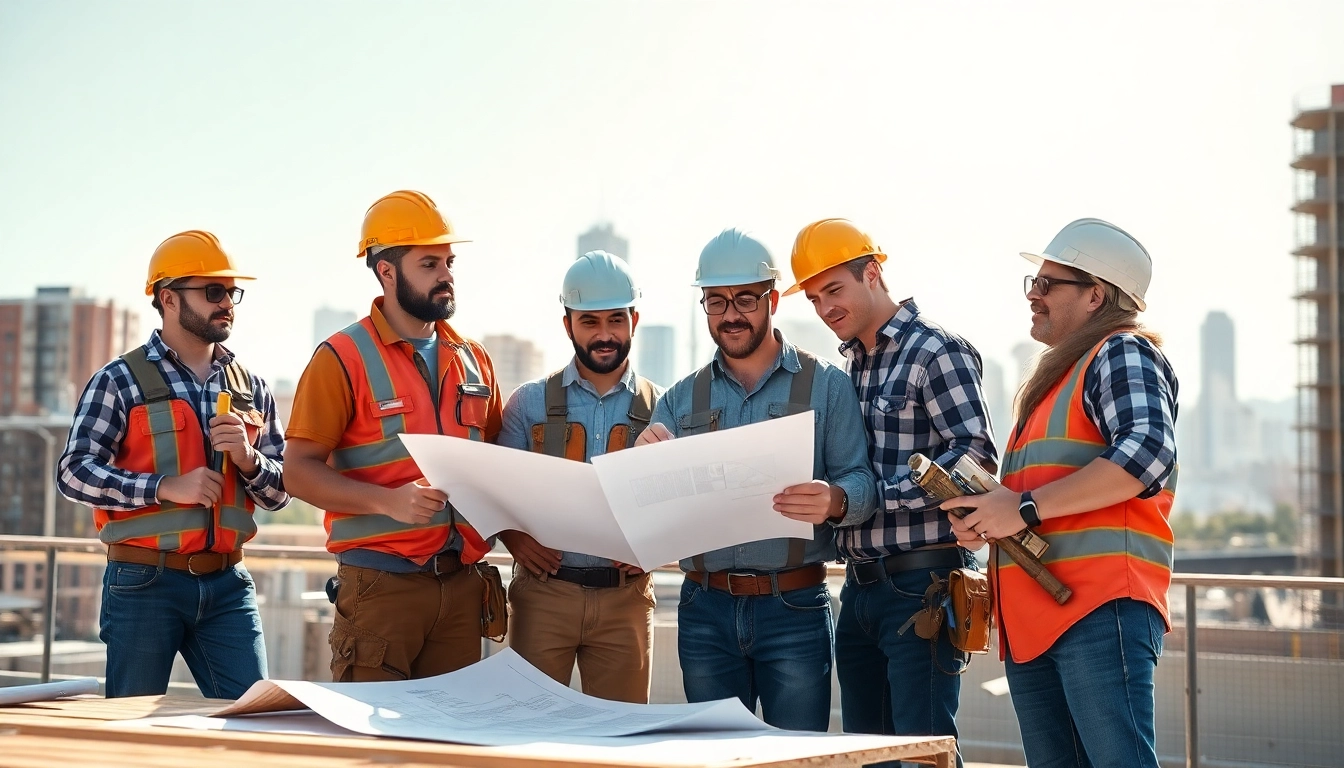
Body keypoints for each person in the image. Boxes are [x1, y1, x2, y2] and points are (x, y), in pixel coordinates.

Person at [945, 219, 1178, 768]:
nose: (1033, 294)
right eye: (1034, 281)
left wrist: (1021, 507)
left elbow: (1148, 454)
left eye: (1049, 283)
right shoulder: (1061, 380)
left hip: (1098, 608)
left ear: (1096, 295)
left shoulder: (1120, 352)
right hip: (1041, 615)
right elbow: (1043, 495)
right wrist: (989, 514)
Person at [636, 228, 877, 731]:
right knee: (713, 758)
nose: (730, 314)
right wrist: (644, 467)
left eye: (745, 299)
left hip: (794, 607)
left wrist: (835, 500)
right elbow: (649, 508)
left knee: (795, 760)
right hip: (704, 608)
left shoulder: (826, 385)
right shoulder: (680, 401)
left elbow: (862, 481)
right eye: (716, 302)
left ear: (771, 299)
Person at [788, 218, 997, 764]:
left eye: (834, 289)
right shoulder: (849, 367)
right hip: (857, 591)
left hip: (921, 584)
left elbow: (974, 454)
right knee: (868, 755)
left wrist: (873, 496)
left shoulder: (935, 351)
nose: (825, 308)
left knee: (922, 752)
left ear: (873, 273)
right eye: (813, 298)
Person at [283, 190, 502, 681]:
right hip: (380, 588)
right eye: (429, 263)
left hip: (462, 587)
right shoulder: (340, 357)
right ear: (386, 271)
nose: (446, 274)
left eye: (448, 261)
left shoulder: (473, 358)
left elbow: (498, 463)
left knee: (448, 748)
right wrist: (388, 502)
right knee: (374, 750)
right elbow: (296, 472)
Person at [57, 230, 287, 698]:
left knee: (254, 719)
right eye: (213, 292)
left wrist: (247, 458)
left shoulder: (252, 387)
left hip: (229, 585)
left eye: (231, 292)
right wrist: (164, 486)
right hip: (144, 582)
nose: (227, 303)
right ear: (169, 298)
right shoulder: (119, 379)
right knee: (130, 731)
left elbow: (280, 491)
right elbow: (73, 471)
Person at [496, 250, 661, 703]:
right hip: (545, 594)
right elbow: (495, 492)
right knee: (530, 733)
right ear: (568, 323)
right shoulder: (527, 404)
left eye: (615, 320)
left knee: (620, 739)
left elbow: (682, 501)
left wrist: (655, 547)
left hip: (626, 600)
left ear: (634, 319)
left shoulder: (665, 408)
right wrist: (514, 539)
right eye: (589, 322)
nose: (604, 335)